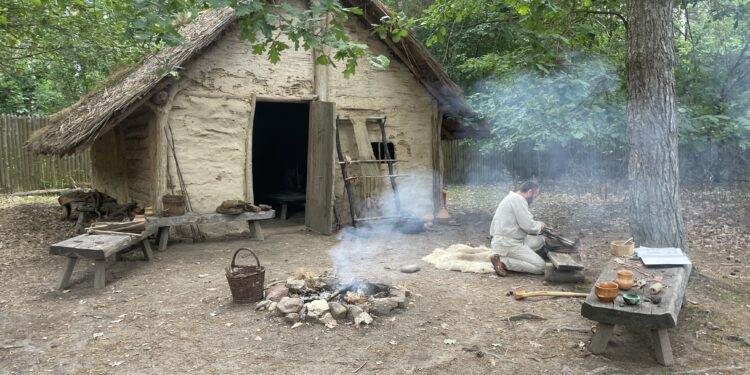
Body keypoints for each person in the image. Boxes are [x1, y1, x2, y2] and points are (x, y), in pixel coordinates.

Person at [489, 181, 546, 276]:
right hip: (508, 243)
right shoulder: (519, 200)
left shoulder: (511, 198)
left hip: (501, 241)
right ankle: (503, 262)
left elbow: (524, 221)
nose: (534, 198)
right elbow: (528, 226)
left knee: (538, 242)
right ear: (530, 192)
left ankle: (502, 257)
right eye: (535, 195)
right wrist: (540, 225)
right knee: (541, 267)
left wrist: (537, 224)